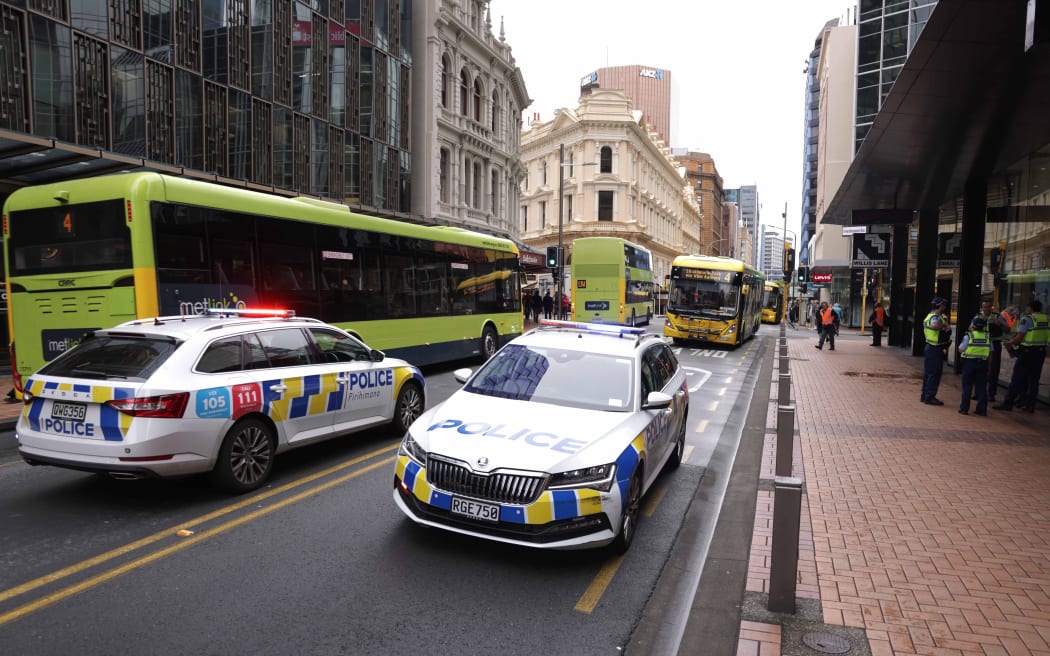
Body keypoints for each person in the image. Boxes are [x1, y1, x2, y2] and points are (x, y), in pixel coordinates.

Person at [994, 299, 1049, 412]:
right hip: (1040, 351)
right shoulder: (1047, 318)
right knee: (1034, 379)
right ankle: (1029, 405)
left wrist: (1009, 343)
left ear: (1031, 308)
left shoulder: (1027, 319)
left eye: (1027, 307)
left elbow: (1020, 337)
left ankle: (1008, 403)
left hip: (1027, 352)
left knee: (1017, 378)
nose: (1026, 309)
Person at [920, 297, 952, 405]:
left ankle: (925, 396)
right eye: (943, 305)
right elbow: (935, 326)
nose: (945, 307)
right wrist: (944, 325)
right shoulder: (935, 317)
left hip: (930, 347)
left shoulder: (931, 316)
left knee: (929, 373)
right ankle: (930, 397)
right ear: (939, 306)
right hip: (935, 348)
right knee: (934, 373)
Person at [957, 316, 990, 416]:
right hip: (982, 363)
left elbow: (960, 349)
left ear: (973, 326)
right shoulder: (987, 336)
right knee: (981, 387)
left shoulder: (969, 336)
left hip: (969, 364)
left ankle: (964, 409)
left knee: (967, 386)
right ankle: (982, 410)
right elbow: (991, 351)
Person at [974, 300, 1006, 402]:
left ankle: (991, 394)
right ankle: (978, 393)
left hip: (995, 344)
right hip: (982, 344)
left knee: (994, 370)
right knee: (979, 369)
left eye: (988, 307)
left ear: (991, 307)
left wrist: (1000, 324)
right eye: (985, 307)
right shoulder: (978, 316)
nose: (987, 309)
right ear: (982, 308)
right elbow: (970, 328)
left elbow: (1008, 329)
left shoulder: (997, 316)